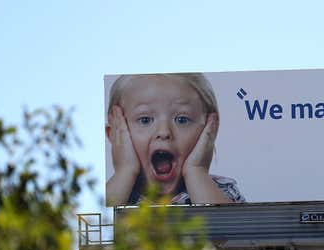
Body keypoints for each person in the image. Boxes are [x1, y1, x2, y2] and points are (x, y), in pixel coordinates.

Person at [105, 73, 244, 206]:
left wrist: (196, 171)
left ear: (209, 130)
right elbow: (97, 222)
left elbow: (232, 228)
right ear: (114, 134)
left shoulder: (221, 191)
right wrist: (125, 171)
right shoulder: (112, 191)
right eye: (145, 120)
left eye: (182, 120)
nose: (164, 132)